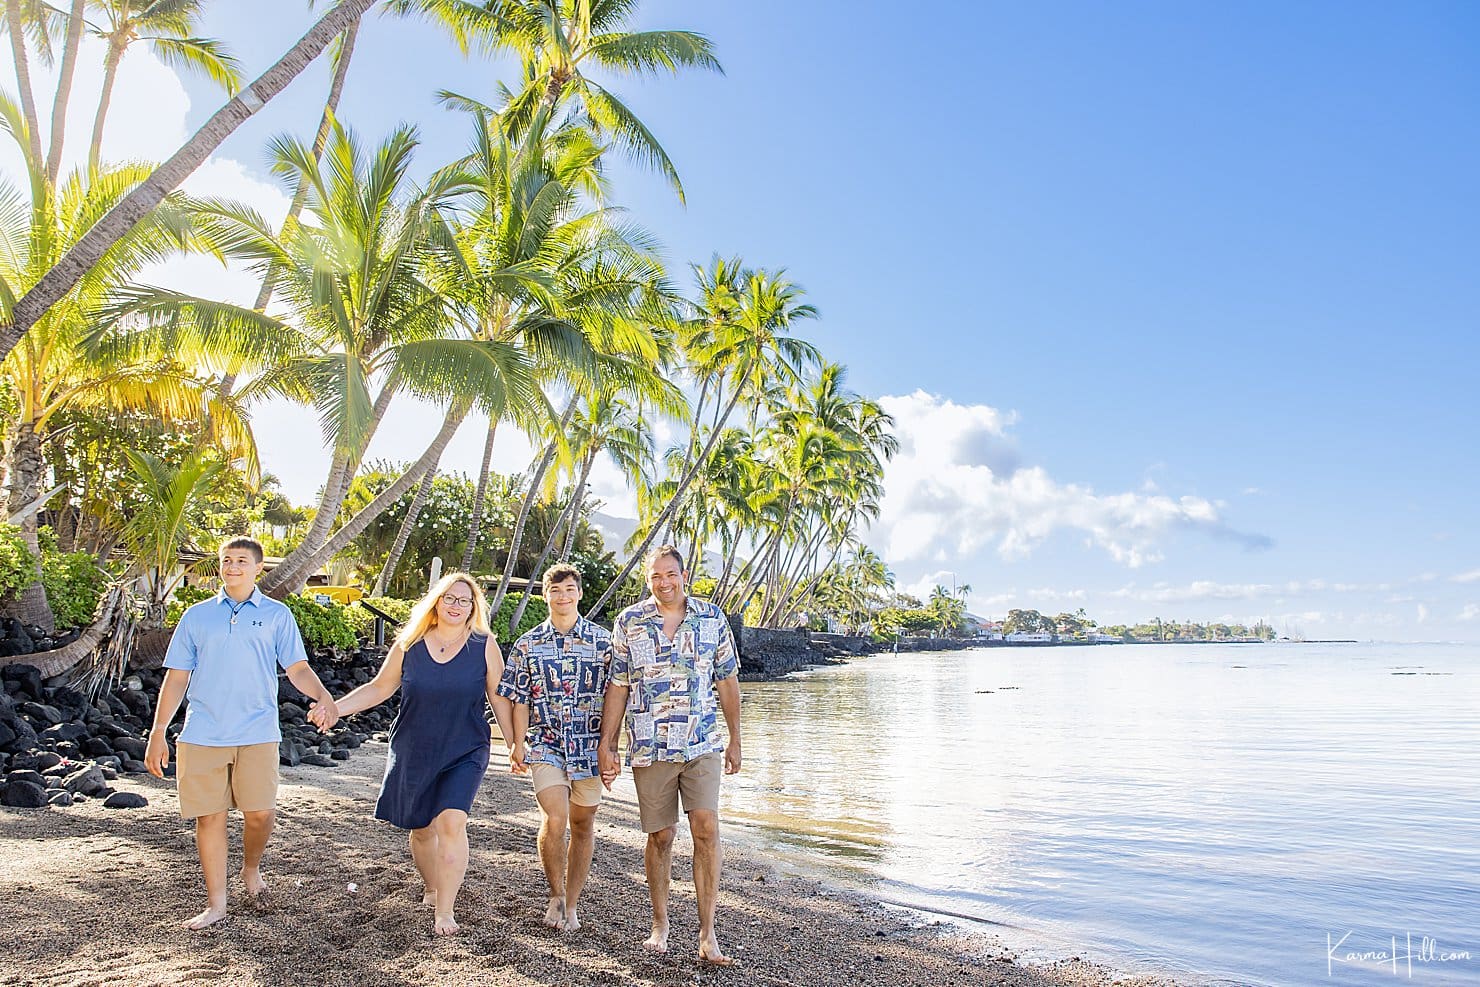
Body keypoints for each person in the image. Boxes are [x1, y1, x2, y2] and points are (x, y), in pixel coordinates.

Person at [145, 536, 341, 931]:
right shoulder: (196, 617)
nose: (232, 567)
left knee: (260, 813)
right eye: (226, 560)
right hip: (202, 732)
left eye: (241, 561)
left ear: (257, 569)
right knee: (210, 819)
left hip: (257, 731)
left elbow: (297, 668)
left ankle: (251, 868)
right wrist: (158, 732)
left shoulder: (277, 615)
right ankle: (216, 904)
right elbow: (177, 676)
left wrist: (324, 696)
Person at [330, 572, 515, 935]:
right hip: (414, 746)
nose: (456, 605)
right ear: (436, 602)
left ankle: (445, 911)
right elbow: (379, 688)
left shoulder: (483, 644)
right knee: (421, 829)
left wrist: (514, 745)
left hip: (466, 747)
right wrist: (335, 709)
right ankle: (431, 887)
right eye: (449, 598)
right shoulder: (410, 643)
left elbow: (499, 697)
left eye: (464, 600)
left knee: (451, 821)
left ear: (473, 607)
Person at [599, 545, 742, 967]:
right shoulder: (629, 622)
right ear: (648, 579)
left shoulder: (712, 618)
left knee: (706, 827)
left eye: (671, 574)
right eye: (656, 576)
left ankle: (707, 933)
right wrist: (608, 744)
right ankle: (660, 923)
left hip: (701, 742)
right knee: (660, 836)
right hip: (650, 744)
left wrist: (736, 739)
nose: (664, 582)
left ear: (684, 575)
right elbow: (619, 685)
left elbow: (727, 680)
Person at [499, 562, 614, 932]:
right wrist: (517, 744)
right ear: (545, 595)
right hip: (545, 743)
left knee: (583, 825)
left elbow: (619, 697)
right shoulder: (528, 644)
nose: (562, 597)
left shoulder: (604, 642)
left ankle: (574, 903)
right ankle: (555, 895)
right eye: (555, 590)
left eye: (569, 590)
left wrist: (612, 747)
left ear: (579, 594)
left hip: (590, 747)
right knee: (557, 818)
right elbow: (517, 698)